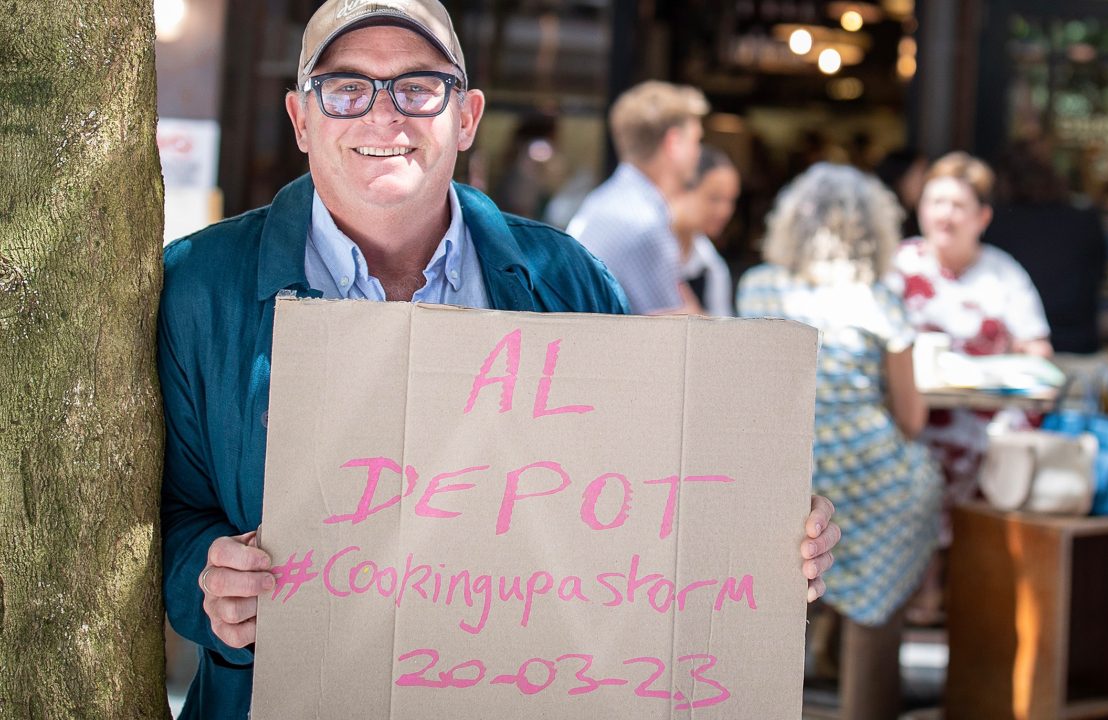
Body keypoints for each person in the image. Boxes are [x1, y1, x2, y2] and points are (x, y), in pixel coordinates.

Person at [157, 2, 839, 717]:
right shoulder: (201, 286)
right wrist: (204, 585)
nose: (383, 116)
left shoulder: (566, 278)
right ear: (301, 119)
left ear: (468, 117)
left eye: (419, 87)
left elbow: (644, 489)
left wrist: (766, 531)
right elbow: (166, 514)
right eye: (347, 87)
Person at [738, 163, 942, 719]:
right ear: (876, 232)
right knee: (923, 483)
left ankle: (796, 674)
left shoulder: (756, 285)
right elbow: (913, 420)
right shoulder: (879, 301)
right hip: (872, 483)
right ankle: (865, 677)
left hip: (783, 477)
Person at [885, 151, 1051, 622]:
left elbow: (1038, 350)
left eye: (958, 205)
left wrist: (1005, 371)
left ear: (982, 217)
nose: (945, 214)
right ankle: (922, 583)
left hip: (984, 417)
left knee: (988, 448)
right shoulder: (897, 267)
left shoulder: (1004, 274)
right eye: (936, 201)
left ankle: (971, 590)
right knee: (917, 451)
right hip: (909, 414)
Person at [566, 80, 707, 314]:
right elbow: (678, 332)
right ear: (674, 143)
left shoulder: (602, 200)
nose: (699, 152)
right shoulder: (646, 223)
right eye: (696, 140)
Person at [983, 140, 1108, 354]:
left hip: (1020, 347)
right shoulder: (1084, 220)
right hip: (1077, 342)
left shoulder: (995, 222)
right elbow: (1099, 276)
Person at [669, 145, 740, 316]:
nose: (725, 211)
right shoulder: (648, 243)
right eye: (714, 198)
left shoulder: (712, 266)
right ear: (683, 189)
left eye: (731, 201)